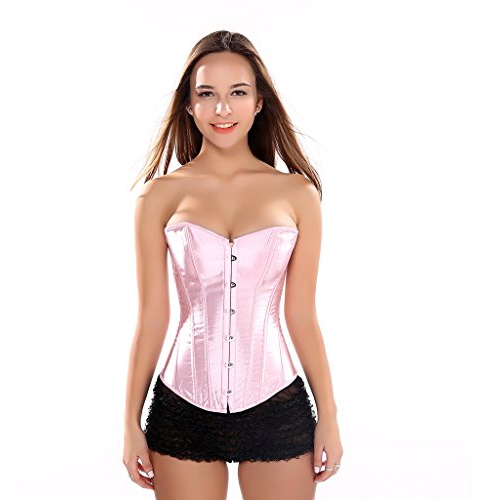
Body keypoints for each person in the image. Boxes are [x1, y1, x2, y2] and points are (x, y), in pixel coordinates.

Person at [123, 30, 343, 499]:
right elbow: (152, 318)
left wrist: (329, 415)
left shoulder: (298, 194)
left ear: (259, 102)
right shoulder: (159, 196)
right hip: (181, 406)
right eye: (207, 94)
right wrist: (129, 423)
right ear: (189, 104)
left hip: (276, 403)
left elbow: (301, 315)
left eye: (238, 93)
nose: (222, 109)